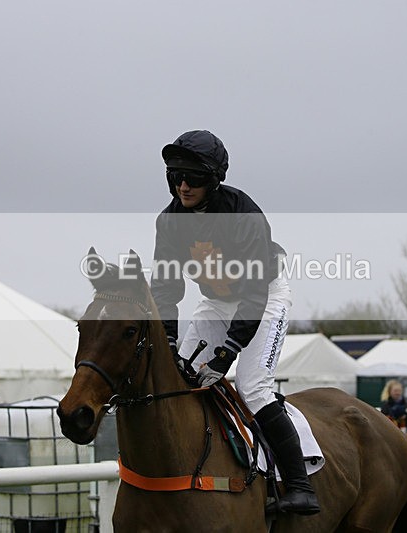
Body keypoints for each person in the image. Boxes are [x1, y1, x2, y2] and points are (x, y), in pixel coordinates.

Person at [150, 130, 318, 515]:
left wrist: (228, 351)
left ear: (213, 179)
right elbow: (165, 288)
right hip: (217, 302)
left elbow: (256, 292)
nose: (183, 185)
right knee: (179, 374)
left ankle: (299, 483)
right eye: (175, 176)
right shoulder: (169, 221)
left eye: (192, 177)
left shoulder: (243, 213)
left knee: (252, 385)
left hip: (263, 296)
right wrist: (170, 340)